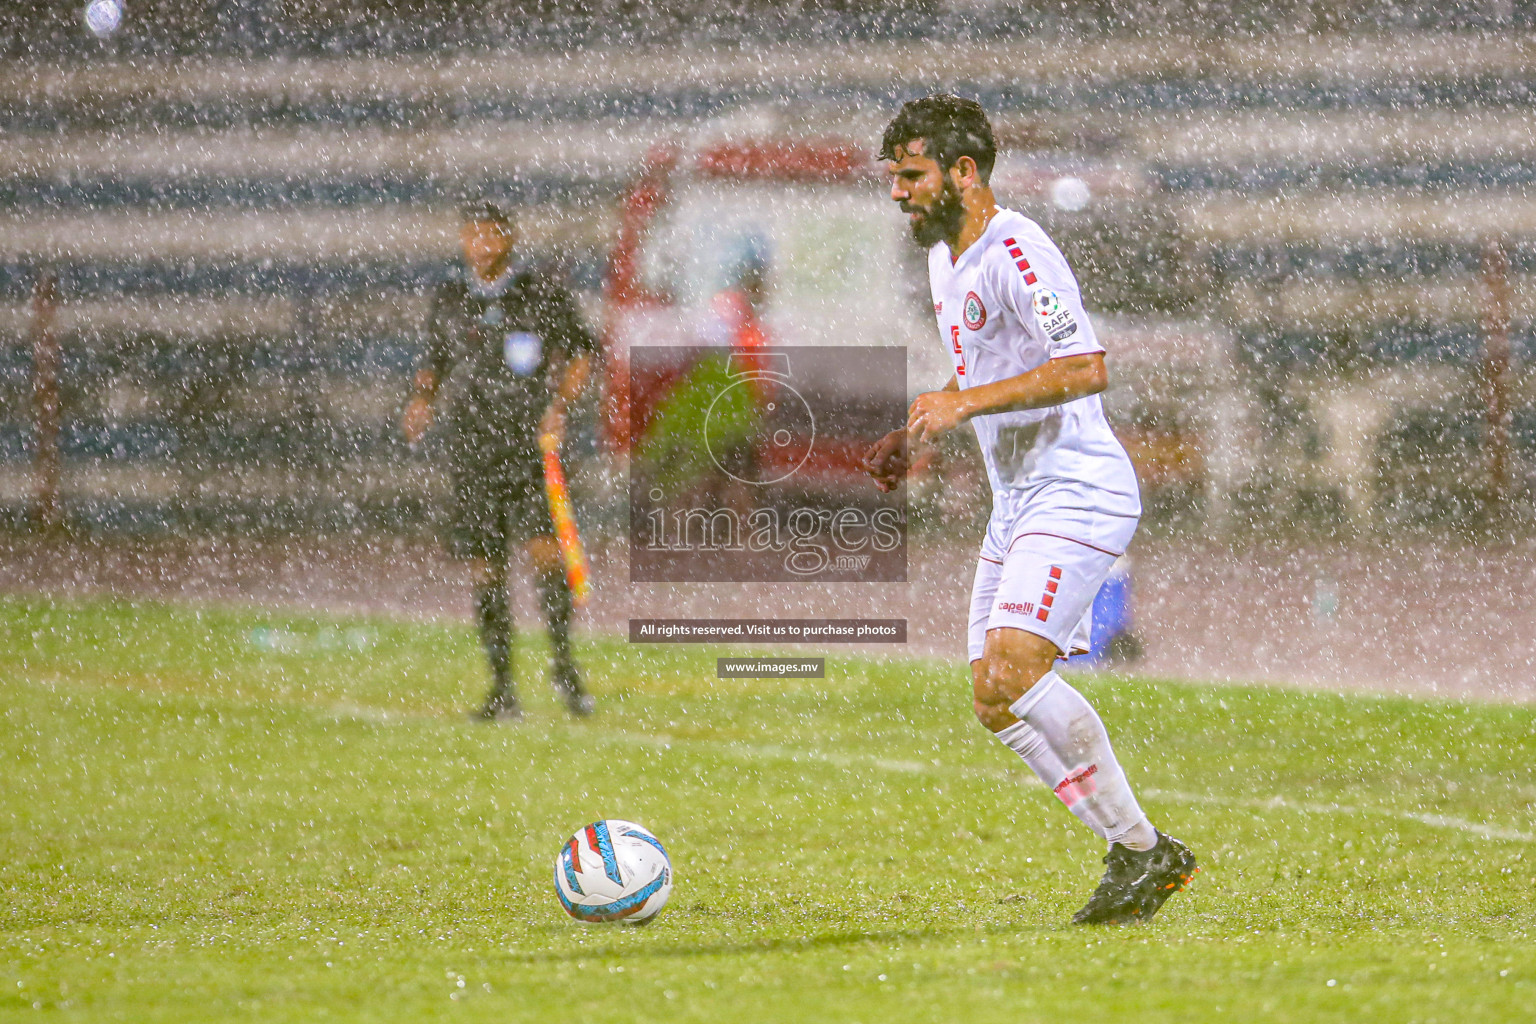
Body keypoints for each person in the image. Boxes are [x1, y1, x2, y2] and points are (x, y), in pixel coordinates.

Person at [864, 95, 1198, 924]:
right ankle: (1139, 853)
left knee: (1017, 670)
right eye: (894, 178)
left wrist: (966, 404)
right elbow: (983, 371)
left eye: (911, 175)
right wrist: (921, 425)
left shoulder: (1020, 250)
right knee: (992, 698)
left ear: (964, 172)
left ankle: (1146, 852)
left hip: (1078, 488)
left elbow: (1084, 367)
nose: (898, 193)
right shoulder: (948, 262)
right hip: (1018, 502)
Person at [402, 202, 596, 721]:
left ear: (509, 240)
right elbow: (432, 360)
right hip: (471, 451)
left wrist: (560, 407)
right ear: (464, 241)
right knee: (485, 569)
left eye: (492, 236)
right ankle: (503, 688)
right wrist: (422, 398)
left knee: (545, 557)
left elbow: (582, 353)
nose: (483, 246)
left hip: (527, 450)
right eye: (474, 236)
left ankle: (564, 669)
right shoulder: (449, 299)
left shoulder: (540, 295)